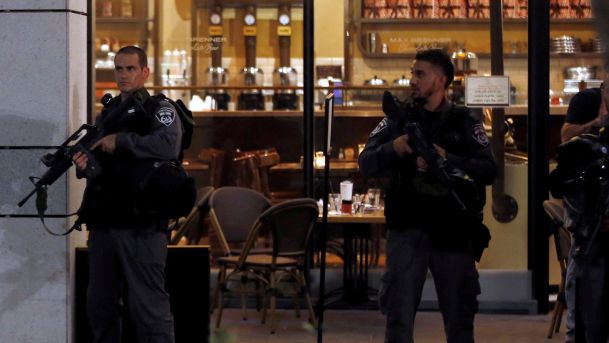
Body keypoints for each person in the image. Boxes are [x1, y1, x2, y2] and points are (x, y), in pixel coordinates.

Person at [359, 49, 496, 343]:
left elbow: (488, 170)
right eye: (412, 73)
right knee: (398, 321)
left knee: (460, 322)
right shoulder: (398, 119)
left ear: (442, 79)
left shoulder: (464, 121)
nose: (412, 80)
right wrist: (394, 149)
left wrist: (447, 159)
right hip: (408, 227)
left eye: (420, 74)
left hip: (453, 230)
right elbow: (366, 162)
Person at [72, 45, 180, 343]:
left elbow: (167, 146)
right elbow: (103, 168)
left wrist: (121, 140)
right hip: (106, 222)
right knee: (100, 306)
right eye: (119, 68)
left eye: (130, 68)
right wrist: (85, 165)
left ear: (145, 72)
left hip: (141, 225)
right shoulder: (107, 113)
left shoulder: (160, 109)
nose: (123, 74)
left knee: (149, 308)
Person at [559, 76, 609, 343]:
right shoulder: (586, 100)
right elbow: (565, 135)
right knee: (582, 264)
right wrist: (596, 123)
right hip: (586, 202)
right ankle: (575, 333)